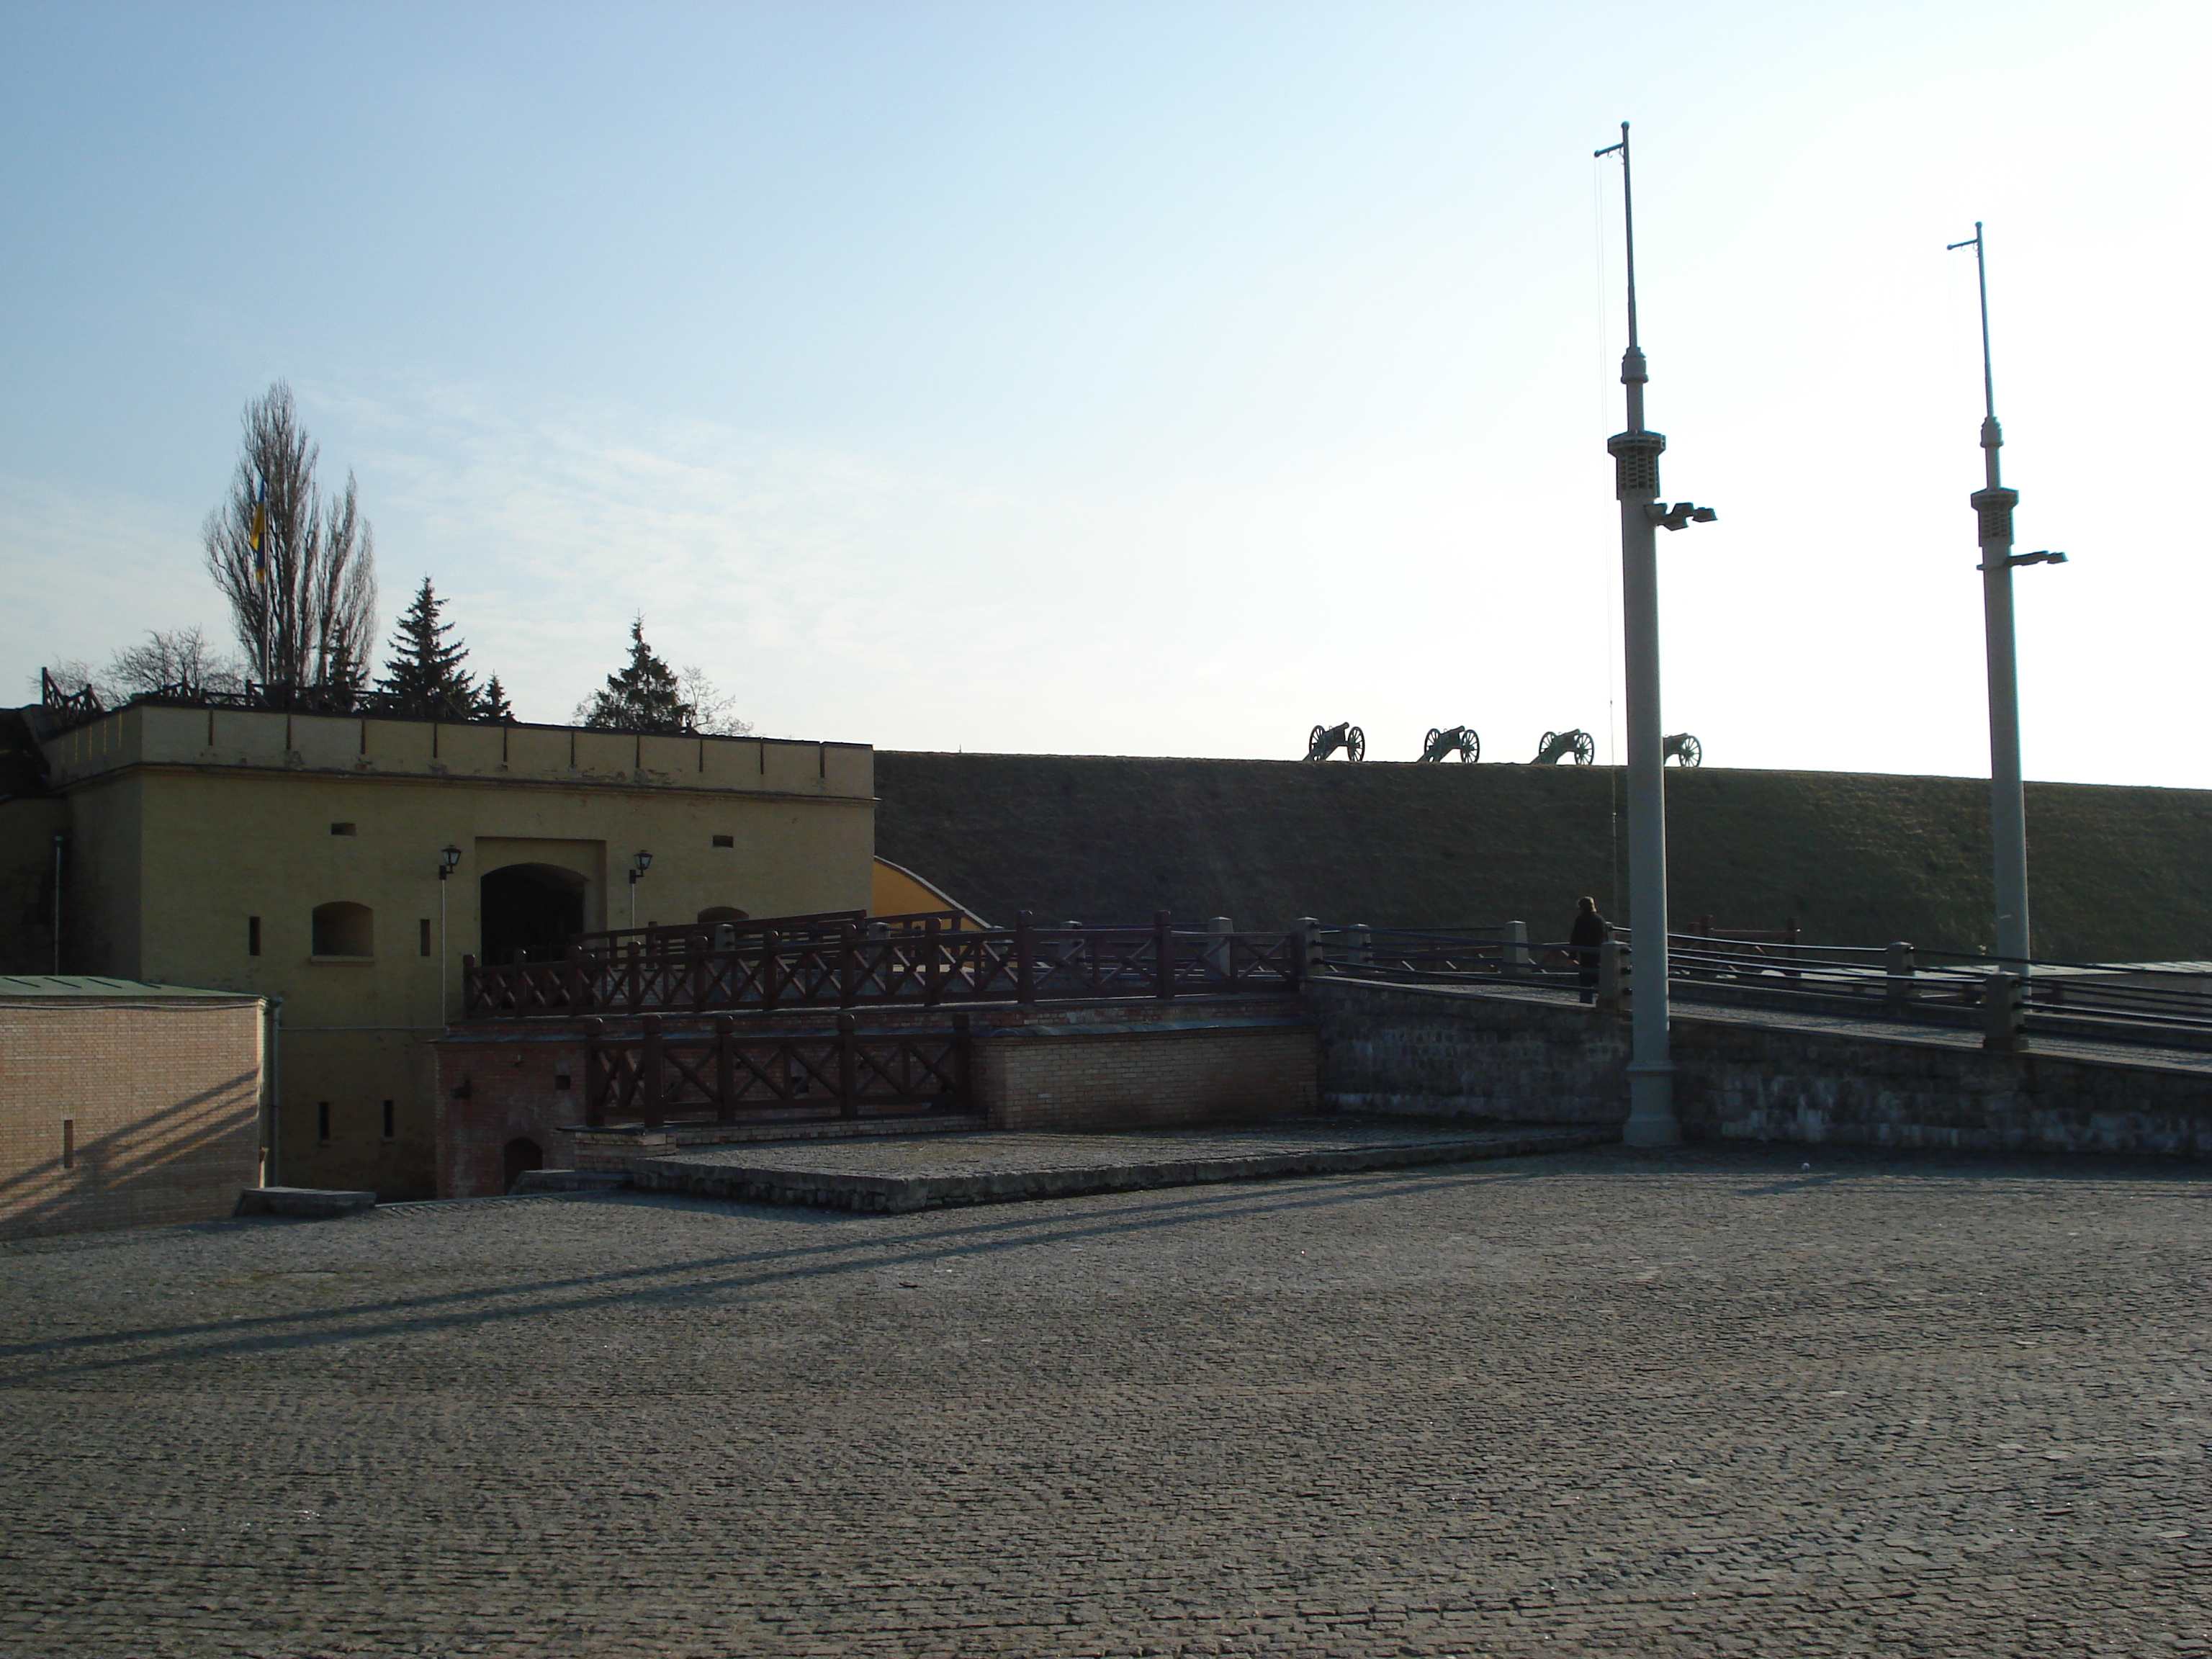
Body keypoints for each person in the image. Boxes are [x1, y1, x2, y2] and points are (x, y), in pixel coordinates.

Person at [1568, 896, 1610, 1004]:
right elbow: (1606, 937)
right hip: (1599, 954)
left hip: (1586, 955)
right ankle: (1605, 1001)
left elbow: (1575, 938)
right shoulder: (1600, 920)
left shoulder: (1581, 919)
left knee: (1585, 981)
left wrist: (1572, 956)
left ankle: (1586, 1001)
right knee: (1600, 980)